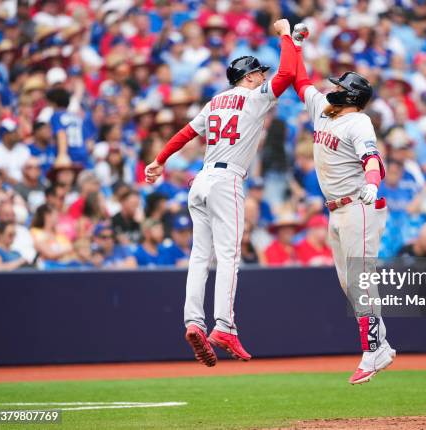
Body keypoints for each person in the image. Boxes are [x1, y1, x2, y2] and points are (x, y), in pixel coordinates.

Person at [144, 19, 297, 367]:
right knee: (228, 256)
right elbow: (288, 74)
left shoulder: (215, 102)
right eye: (258, 72)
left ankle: (193, 321)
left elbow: (185, 133)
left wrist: (159, 160)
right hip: (227, 182)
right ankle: (224, 325)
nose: (262, 76)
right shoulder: (254, 97)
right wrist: (286, 36)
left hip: (200, 182)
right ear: (248, 77)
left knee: (200, 256)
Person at [291, 25, 395, 385]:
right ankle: (380, 344)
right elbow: (299, 80)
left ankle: (372, 351)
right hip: (336, 209)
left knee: (360, 279)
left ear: (350, 96)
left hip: (360, 205)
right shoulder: (323, 109)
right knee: (350, 285)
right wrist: (293, 44)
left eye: (339, 86)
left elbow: (372, 157)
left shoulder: (358, 120)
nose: (332, 88)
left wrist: (371, 183)